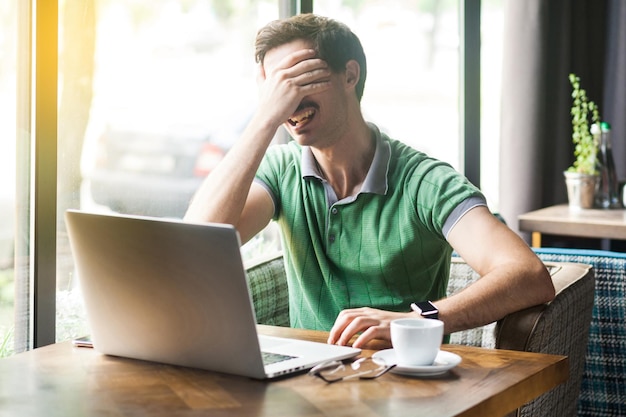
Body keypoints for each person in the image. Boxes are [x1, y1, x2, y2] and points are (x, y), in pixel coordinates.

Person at [184, 13, 554, 349]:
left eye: (298, 79)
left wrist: (415, 321)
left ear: (349, 75)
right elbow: (197, 242)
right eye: (277, 89)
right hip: (308, 385)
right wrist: (263, 119)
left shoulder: (425, 181)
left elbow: (528, 275)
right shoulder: (282, 172)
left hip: (402, 384)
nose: (288, 101)